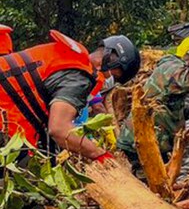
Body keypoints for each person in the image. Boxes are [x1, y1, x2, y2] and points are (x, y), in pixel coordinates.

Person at [0, 32, 139, 161]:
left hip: (8, 120)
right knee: (27, 177)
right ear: (112, 60)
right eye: (114, 75)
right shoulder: (79, 78)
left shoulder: (67, 56)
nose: (109, 79)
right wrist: (99, 155)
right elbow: (59, 129)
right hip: (5, 126)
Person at [117, 36, 189, 179]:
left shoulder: (176, 69)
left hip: (154, 136)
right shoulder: (171, 68)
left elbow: (170, 110)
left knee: (158, 175)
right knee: (151, 178)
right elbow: (188, 80)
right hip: (140, 139)